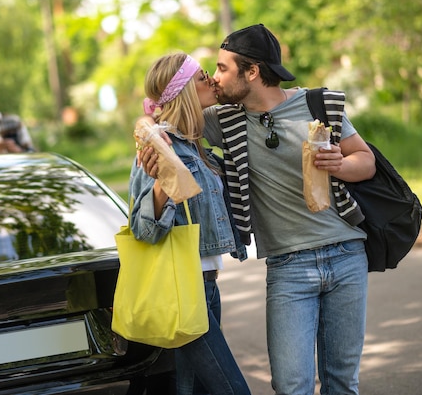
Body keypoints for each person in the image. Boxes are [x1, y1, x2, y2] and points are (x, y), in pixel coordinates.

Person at [139, 24, 376, 395]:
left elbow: (366, 160)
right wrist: (145, 127)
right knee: (290, 385)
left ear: (252, 72)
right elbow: (168, 116)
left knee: (342, 383)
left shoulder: (319, 105)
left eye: (222, 68)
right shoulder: (224, 120)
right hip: (288, 268)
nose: (215, 79)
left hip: (347, 254)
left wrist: (340, 165)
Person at [130, 52, 252, 395]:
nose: (211, 80)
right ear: (183, 91)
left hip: (207, 285)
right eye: (201, 77)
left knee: (192, 390)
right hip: (183, 288)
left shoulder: (195, 147)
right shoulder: (158, 148)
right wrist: (160, 185)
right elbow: (143, 230)